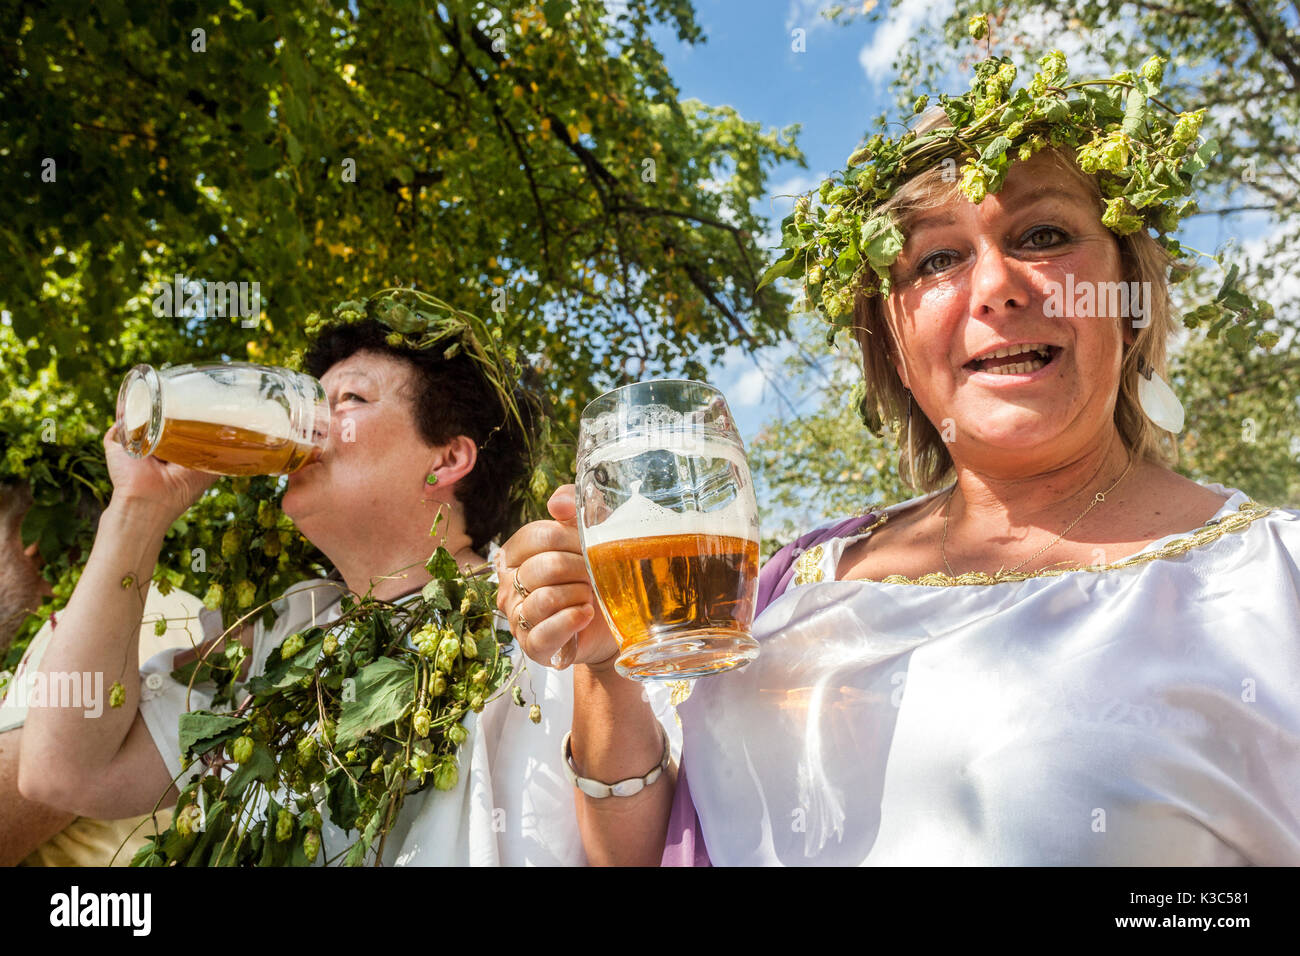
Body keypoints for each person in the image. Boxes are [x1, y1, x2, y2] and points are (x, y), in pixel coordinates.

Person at [494, 60, 1300, 865]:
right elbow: (636, 858)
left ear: (1129, 296)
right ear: (896, 350)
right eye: (936, 261)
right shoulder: (791, 580)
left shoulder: (1274, 583)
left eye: (1043, 235)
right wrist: (609, 671)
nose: (997, 286)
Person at [18, 299, 679, 865]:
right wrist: (139, 509)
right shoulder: (279, 637)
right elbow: (64, 771)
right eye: (313, 400)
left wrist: (606, 667)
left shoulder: (549, 607)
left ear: (448, 458)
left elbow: (635, 854)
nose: (311, 423)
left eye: (349, 401)